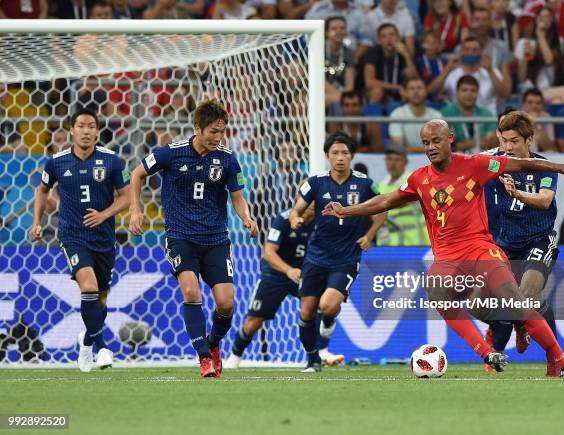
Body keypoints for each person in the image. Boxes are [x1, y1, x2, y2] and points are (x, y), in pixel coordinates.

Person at [323, 119, 564, 377]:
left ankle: (559, 359)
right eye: (425, 143)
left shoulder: (476, 165)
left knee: (515, 300)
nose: (430, 147)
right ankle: (487, 351)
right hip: (447, 257)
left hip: (481, 248)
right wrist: (346, 210)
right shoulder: (418, 179)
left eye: (436, 140)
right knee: (438, 292)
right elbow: (385, 201)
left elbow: (523, 163)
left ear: (450, 139)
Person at [128, 100, 259, 378]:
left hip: (216, 239)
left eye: (222, 131)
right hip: (180, 237)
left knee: (226, 303)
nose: (218, 137)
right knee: (191, 291)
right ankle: (203, 358)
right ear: (197, 128)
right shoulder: (171, 154)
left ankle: (212, 345)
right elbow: (137, 173)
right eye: (213, 131)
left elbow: (237, 198)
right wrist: (135, 209)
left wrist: (246, 218)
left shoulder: (227, 159)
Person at [28, 108, 130, 372]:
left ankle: (86, 342)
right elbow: (42, 190)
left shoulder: (112, 161)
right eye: (81, 126)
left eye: (91, 126)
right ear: (72, 130)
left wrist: (104, 214)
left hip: (103, 238)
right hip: (72, 235)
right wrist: (36, 222)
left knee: (101, 301)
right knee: (88, 286)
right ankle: (103, 348)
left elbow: (128, 196)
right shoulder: (56, 162)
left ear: (97, 131)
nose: (86, 131)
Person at [289, 132, 387, 372]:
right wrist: (294, 219)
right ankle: (313, 360)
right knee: (306, 311)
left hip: (346, 257)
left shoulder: (364, 183)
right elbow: (296, 209)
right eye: (335, 153)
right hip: (316, 256)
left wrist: (370, 234)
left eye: (344, 153)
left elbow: (383, 207)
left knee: (328, 305)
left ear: (352, 156)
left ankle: (330, 319)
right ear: (327, 156)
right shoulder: (315, 182)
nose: (340, 158)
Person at [484, 111, 561, 374]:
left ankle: (555, 358)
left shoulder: (544, 167)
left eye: (514, 141)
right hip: (504, 245)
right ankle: (517, 325)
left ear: (529, 140)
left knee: (529, 293)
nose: (508, 147)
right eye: (504, 140)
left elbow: (545, 200)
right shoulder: (492, 163)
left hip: (539, 239)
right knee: (483, 299)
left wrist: (517, 193)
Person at [225, 203, 345, 368]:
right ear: (301, 200)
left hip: (305, 274)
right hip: (276, 274)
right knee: (254, 321)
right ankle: (235, 356)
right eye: (309, 199)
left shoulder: (322, 221)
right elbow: (268, 252)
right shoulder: (284, 218)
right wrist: (288, 271)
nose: (313, 204)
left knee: (323, 304)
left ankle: (321, 352)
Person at [433, 37, 509, 115]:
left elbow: (504, 95)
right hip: (456, 119)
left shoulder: (492, 71)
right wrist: (447, 70)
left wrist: (490, 71)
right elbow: (434, 93)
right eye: (467, 49)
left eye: (475, 50)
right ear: (461, 52)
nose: (471, 53)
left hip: (486, 120)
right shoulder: (451, 72)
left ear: (481, 52)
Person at [374, 144, 429, 246]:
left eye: (397, 159)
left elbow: (400, 201)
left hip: (414, 243)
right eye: (389, 159)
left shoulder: (413, 179)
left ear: (405, 162)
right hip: (387, 244)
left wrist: (375, 206)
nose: (393, 163)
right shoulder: (380, 186)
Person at [363, 23, 417, 104]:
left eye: (392, 35)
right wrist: (397, 87)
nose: (388, 39)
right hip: (382, 93)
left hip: (401, 94)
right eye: (383, 36)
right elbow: (369, 82)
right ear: (379, 41)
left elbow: (415, 79)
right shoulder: (373, 52)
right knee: (377, 91)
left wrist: (406, 56)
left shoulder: (404, 52)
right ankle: (372, 116)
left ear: (398, 38)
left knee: (413, 90)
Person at [440, 75, 498, 152]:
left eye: (473, 91)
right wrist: (475, 143)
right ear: (457, 92)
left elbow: (492, 143)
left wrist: (461, 145)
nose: (469, 94)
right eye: (464, 90)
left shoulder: (487, 114)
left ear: (478, 93)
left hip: (482, 159)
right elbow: (444, 146)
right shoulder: (445, 113)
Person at [389, 77, 442, 153]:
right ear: (405, 93)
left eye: (419, 88)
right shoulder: (397, 114)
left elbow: (440, 146)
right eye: (411, 88)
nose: (416, 92)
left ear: (426, 91)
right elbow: (399, 148)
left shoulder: (437, 115)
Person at [324, 16, 356, 108]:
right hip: (317, 90)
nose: (339, 31)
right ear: (327, 33)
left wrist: (342, 97)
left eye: (342, 28)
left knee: (348, 102)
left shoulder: (349, 52)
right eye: (334, 29)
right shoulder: (318, 48)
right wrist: (340, 97)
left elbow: (350, 86)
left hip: (340, 93)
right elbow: (318, 80)